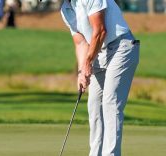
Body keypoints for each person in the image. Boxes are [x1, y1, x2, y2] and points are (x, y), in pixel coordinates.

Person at [60, 0, 140, 155]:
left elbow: (101, 30)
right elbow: (81, 42)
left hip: (121, 47)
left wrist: (88, 62)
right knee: (94, 105)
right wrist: (81, 71)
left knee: (110, 102)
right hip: (98, 51)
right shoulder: (65, 9)